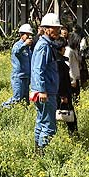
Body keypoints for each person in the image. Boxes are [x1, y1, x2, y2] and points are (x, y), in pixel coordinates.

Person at [31, 13, 62, 153]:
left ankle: (37, 152)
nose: (58, 31)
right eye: (55, 28)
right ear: (46, 29)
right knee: (49, 126)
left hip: (45, 91)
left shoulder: (47, 45)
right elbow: (38, 69)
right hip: (46, 92)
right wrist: (42, 90)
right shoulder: (44, 46)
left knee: (41, 122)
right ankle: (43, 154)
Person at [0, 23, 33, 111]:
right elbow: (16, 52)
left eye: (30, 35)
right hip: (18, 77)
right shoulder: (18, 45)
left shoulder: (28, 48)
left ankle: (24, 115)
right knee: (17, 98)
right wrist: (24, 45)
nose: (29, 37)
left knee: (25, 99)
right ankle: (1, 108)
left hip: (26, 76)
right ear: (22, 35)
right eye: (27, 35)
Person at [54, 37, 78, 135]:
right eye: (64, 47)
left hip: (59, 93)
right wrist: (63, 96)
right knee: (70, 118)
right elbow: (61, 81)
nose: (65, 49)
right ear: (61, 48)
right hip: (62, 94)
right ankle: (73, 134)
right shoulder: (59, 63)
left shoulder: (56, 60)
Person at [64, 32, 82, 104]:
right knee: (72, 98)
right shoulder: (68, 51)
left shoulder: (75, 50)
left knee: (77, 98)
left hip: (76, 76)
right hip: (71, 78)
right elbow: (68, 66)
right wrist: (72, 80)